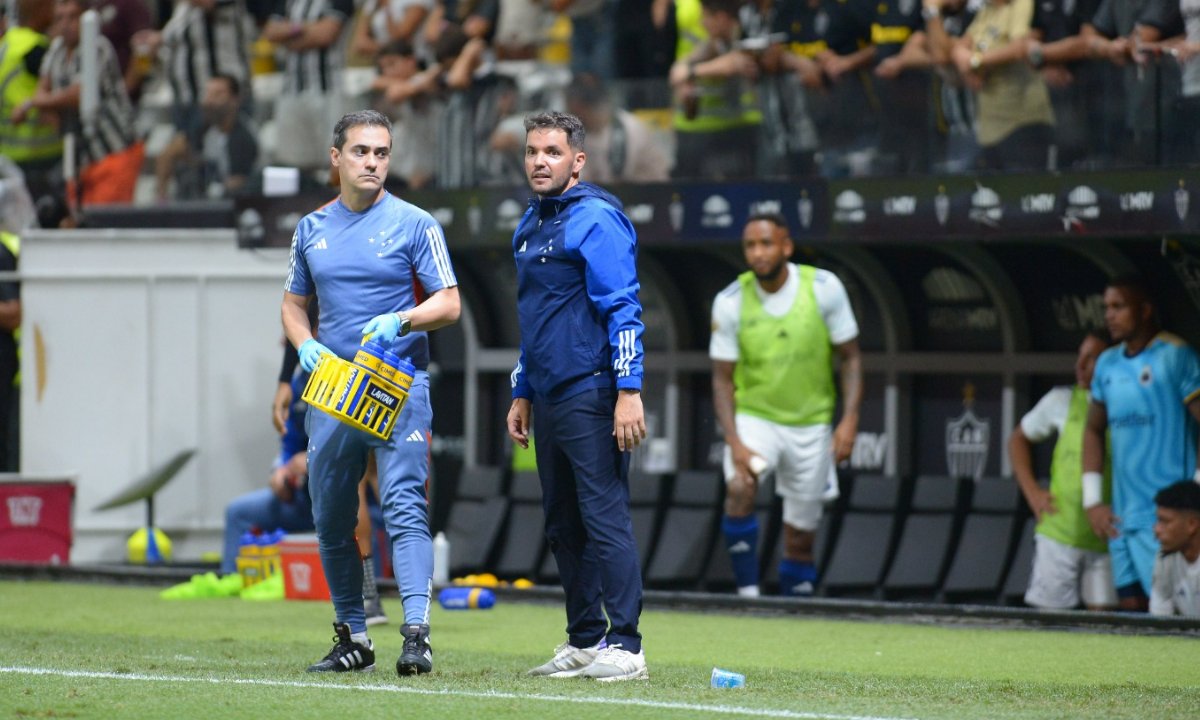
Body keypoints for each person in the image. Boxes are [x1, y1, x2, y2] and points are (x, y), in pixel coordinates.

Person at [281, 109, 460, 674]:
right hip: (333, 388)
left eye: (381, 153)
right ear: (336, 158)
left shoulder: (416, 223)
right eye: (361, 152)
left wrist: (401, 321)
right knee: (332, 515)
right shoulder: (311, 229)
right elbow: (292, 304)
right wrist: (305, 345)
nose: (373, 162)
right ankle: (353, 637)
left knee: (405, 507)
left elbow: (449, 302)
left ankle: (416, 635)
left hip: (397, 384)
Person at [507, 110, 649, 682]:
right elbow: (533, 320)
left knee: (604, 517)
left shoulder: (596, 219)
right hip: (548, 395)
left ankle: (629, 646)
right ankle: (586, 639)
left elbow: (624, 309)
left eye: (552, 152)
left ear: (577, 161)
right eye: (532, 151)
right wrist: (522, 390)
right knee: (564, 523)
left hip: (592, 392)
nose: (540, 161)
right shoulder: (530, 223)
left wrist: (629, 390)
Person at [710, 212, 862, 598]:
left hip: (811, 424)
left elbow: (851, 357)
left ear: (786, 247)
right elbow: (722, 379)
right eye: (750, 245)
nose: (758, 253)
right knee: (740, 486)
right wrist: (735, 441)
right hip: (756, 419)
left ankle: (798, 612)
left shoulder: (824, 289)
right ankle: (748, 595)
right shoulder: (729, 302)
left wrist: (849, 421)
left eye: (766, 243)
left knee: (800, 538)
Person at [1082, 275, 1200, 611]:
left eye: (1118, 307)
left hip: (1165, 520)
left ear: (1145, 310)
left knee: (1167, 620)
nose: (1109, 315)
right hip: (1121, 519)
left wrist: (1195, 493)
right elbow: (1092, 430)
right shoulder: (1107, 363)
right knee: (1130, 616)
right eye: (1106, 308)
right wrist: (1093, 501)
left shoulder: (1176, 356)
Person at [1008, 330, 1117, 611]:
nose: (1079, 366)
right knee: (1051, 628)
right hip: (1060, 534)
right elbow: (1017, 440)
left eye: (1091, 358)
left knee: (1106, 629)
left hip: (1108, 536)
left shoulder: (1128, 403)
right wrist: (1033, 494)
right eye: (1079, 357)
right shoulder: (1061, 399)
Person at [15, 0, 144, 213]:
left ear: (86, 17)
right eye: (60, 18)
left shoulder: (98, 46)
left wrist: (31, 103)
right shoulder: (56, 49)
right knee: (78, 222)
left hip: (112, 152)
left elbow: (79, 93)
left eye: (72, 17)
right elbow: (42, 88)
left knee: (105, 221)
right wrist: (42, 101)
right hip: (78, 157)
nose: (66, 24)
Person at [154, 73, 259, 200]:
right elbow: (170, 154)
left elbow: (240, 181)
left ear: (234, 100)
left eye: (218, 94)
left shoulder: (245, 136)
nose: (210, 101)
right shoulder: (202, 127)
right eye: (208, 94)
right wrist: (161, 196)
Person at [1150, 479, 1200, 616]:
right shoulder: (1164, 558)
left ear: (1192, 524)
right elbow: (1159, 621)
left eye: (1164, 521)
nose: (1156, 529)